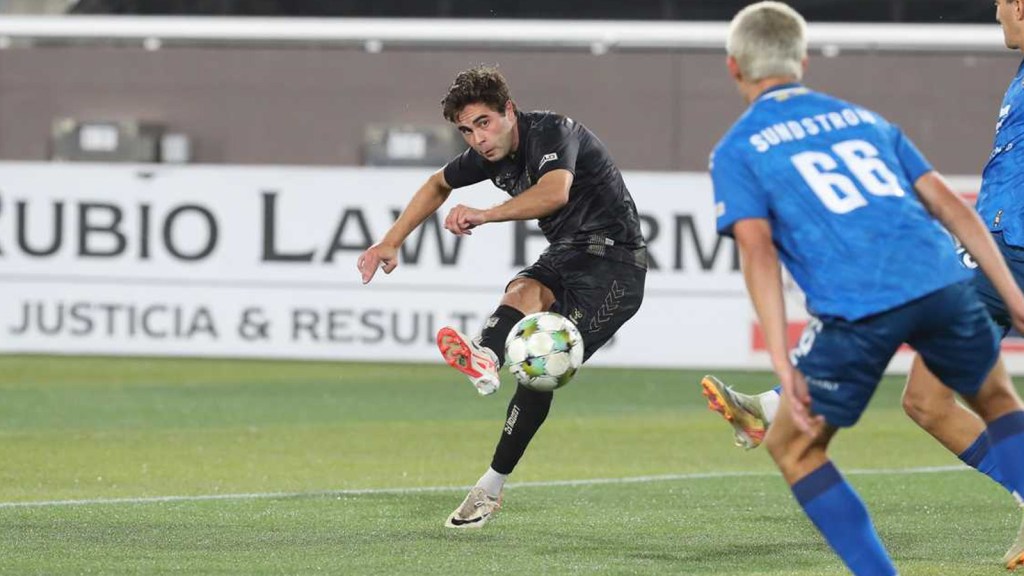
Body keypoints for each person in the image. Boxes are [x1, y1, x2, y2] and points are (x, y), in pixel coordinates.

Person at [703, 2, 1024, 561]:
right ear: (802, 59)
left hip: (871, 297)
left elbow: (758, 256)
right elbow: (952, 206)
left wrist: (783, 363)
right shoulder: (862, 120)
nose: (996, 10)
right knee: (961, 400)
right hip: (946, 274)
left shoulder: (737, 148)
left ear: (734, 68)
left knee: (797, 450)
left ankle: (775, 402)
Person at [356, 66, 648, 529]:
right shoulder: (489, 156)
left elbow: (555, 193)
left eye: (484, 123)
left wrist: (485, 214)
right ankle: (485, 357)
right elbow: (437, 184)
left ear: (508, 111)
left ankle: (490, 486)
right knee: (522, 289)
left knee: (539, 367)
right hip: (568, 253)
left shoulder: (554, 131)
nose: (477, 139)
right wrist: (391, 240)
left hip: (617, 267)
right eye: (466, 131)